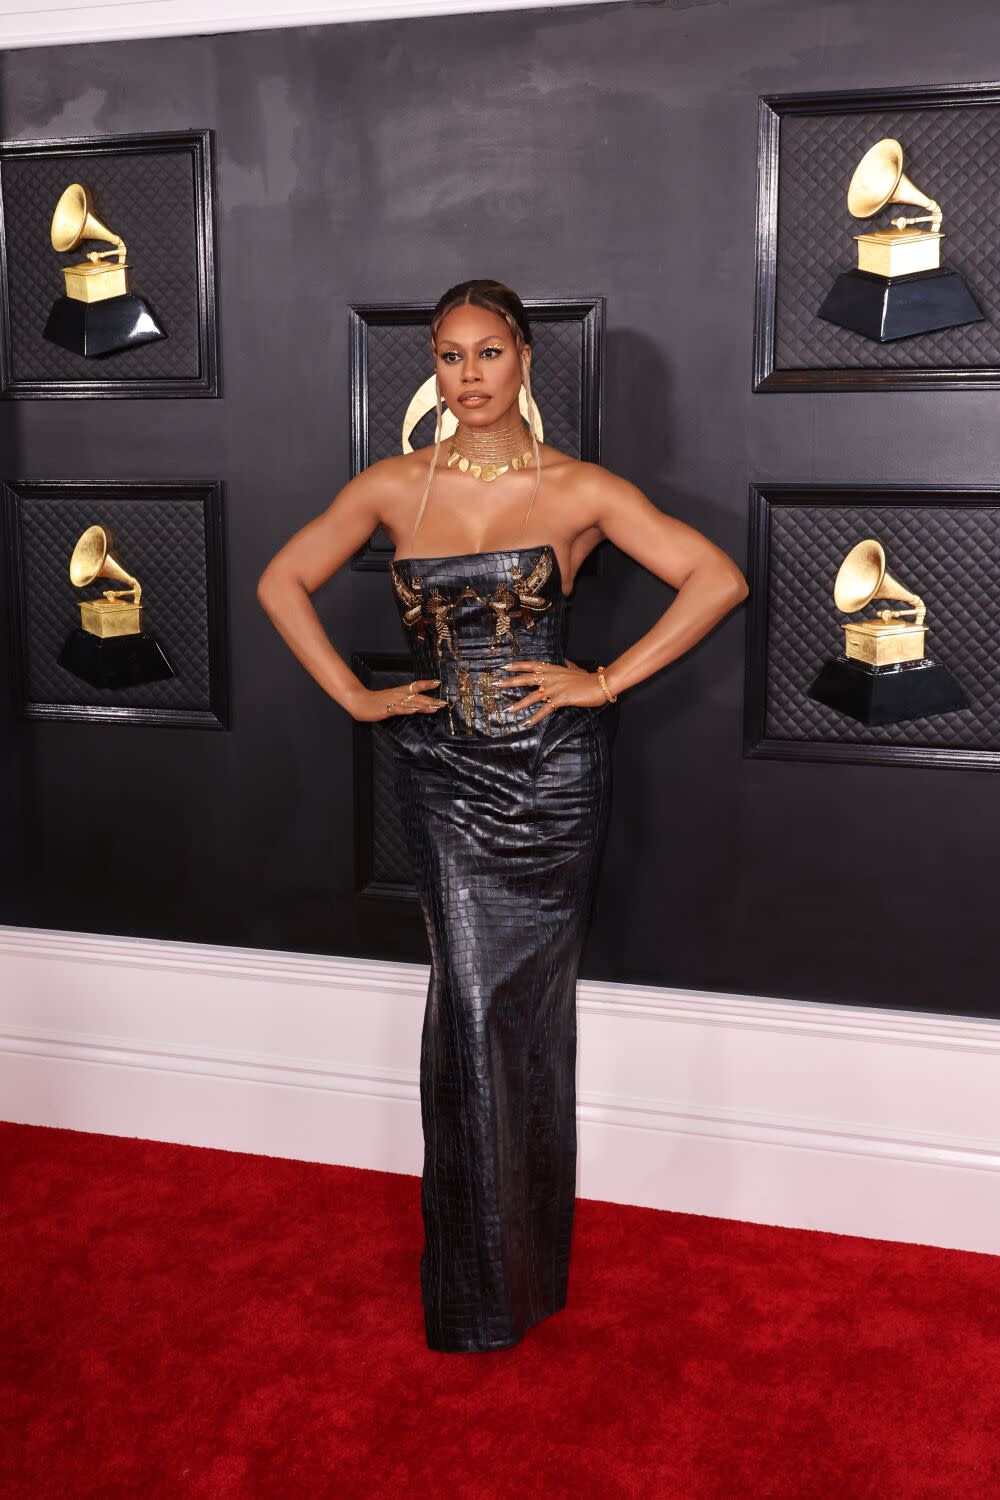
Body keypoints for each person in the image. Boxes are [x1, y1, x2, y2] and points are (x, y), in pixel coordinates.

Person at [257, 278, 748, 1354]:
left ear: (525, 359)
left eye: (487, 353)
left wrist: (603, 679)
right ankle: (480, 1291)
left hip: (553, 773)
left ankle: (515, 1279)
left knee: (523, 1014)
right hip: (442, 770)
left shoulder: (577, 489)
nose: (468, 376)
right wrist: (353, 694)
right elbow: (281, 580)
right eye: (447, 356)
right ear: (430, 367)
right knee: (469, 1008)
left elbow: (714, 578)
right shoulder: (393, 485)